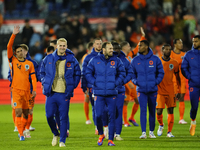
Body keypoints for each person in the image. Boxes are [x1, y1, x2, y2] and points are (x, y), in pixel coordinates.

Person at [40, 38, 81, 147]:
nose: (62, 47)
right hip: (51, 93)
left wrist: (72, 85)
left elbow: (78, 73)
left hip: (64, 93)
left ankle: (62, 140)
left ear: (66, 46)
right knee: (49, 116)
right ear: (57, 46)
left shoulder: (72, 59)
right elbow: (41, 72)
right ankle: (55, 133)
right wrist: (45, 82)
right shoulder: (48, 58)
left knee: (63, 117)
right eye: (60, 45)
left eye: (64, 45)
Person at [86, 41, 126, 146]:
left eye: (112, 48)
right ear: (104, 50)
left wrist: (115, 83)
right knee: (98, 115)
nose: (112, 50)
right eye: (110, 49)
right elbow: (87, 73)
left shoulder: (116, 60)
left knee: (112, 116)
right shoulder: (94, 60)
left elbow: (122, 73)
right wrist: (94, 82)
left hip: (112, 93)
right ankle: (101, 134)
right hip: (99, 93)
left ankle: (110, 140)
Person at [7, 25, 37, 141]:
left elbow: (33, 78)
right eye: (17, 51)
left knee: (26, 113)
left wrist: (34, 89)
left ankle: (24, 130)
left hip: (27, 91)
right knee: (18, 112)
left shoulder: (29, 64)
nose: (19, 53)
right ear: (15, 53)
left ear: (24, 53)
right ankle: (20, 134)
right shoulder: (13, 60)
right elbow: (9, 46)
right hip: (16, 91)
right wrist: (14, 34)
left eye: (21, 51)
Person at [131, 40, 164, 139]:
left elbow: (161, 73)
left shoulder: (155, 59)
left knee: (152, 111)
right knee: (143, 111)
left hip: (153, 89)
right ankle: (143, 133)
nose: (138, 47)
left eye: (140, 45)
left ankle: (151, 132)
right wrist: (136, 82)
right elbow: (132, 74)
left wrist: (155, 82)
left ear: (146, 47)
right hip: (141, 90)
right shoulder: (135, 60)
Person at [156, 44, 180, 138]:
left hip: (170, 91)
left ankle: (169, 132)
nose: (168, 51)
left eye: (169, 49)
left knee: (170, 110)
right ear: (162, 50)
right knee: (159, 111)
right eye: (166, 49)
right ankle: (161, 125)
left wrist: (177, 89)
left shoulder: (174, 63)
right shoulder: (158, 61)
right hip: (160, 90)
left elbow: (178, 78)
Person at [112, 41, 133, 140]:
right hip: (108, 90)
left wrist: (123, 81)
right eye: (113, 49)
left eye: (117, 49)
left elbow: (130, 72)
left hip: (119, 89)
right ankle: (108, 131)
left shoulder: (124, 60)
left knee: (118, 111)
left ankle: (117, 134)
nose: (115, 51)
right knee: (107, 112)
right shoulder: (104, 60)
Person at [81, 38, 102, 134]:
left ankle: (105, 126)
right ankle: (97, 127)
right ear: (93, 45)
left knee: (105, 108)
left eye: (100, 44)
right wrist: (83, 86)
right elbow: (84, 72)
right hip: (92, 86)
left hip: (105, 86)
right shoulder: (88, 58)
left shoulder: (105, 56)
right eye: (97, 44)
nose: (99, 45)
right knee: (95, 107)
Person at [181, 35, 200, 136]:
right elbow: (183, 68)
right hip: (194, 84)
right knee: (194, 107)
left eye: (196, 41)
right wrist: (190, 77)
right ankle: (193, 121)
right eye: (193, 41)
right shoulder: (189, 54)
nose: (194, 43)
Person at [171, 39, 187, 124]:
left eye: (182, 43)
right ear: (175, 45)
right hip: (173, 78)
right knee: (172, 99)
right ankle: (170, 117)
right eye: (179, 43)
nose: (181, 44)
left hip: (182, 78)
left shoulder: (184, 55)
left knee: (181, 97)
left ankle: (181, 119)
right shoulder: (171, 54)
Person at [81, 41, 93, 124]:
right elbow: (84, 71)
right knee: (87, 98)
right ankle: (87, 118)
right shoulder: (85, 57)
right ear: (88, 50)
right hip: (88, 82)